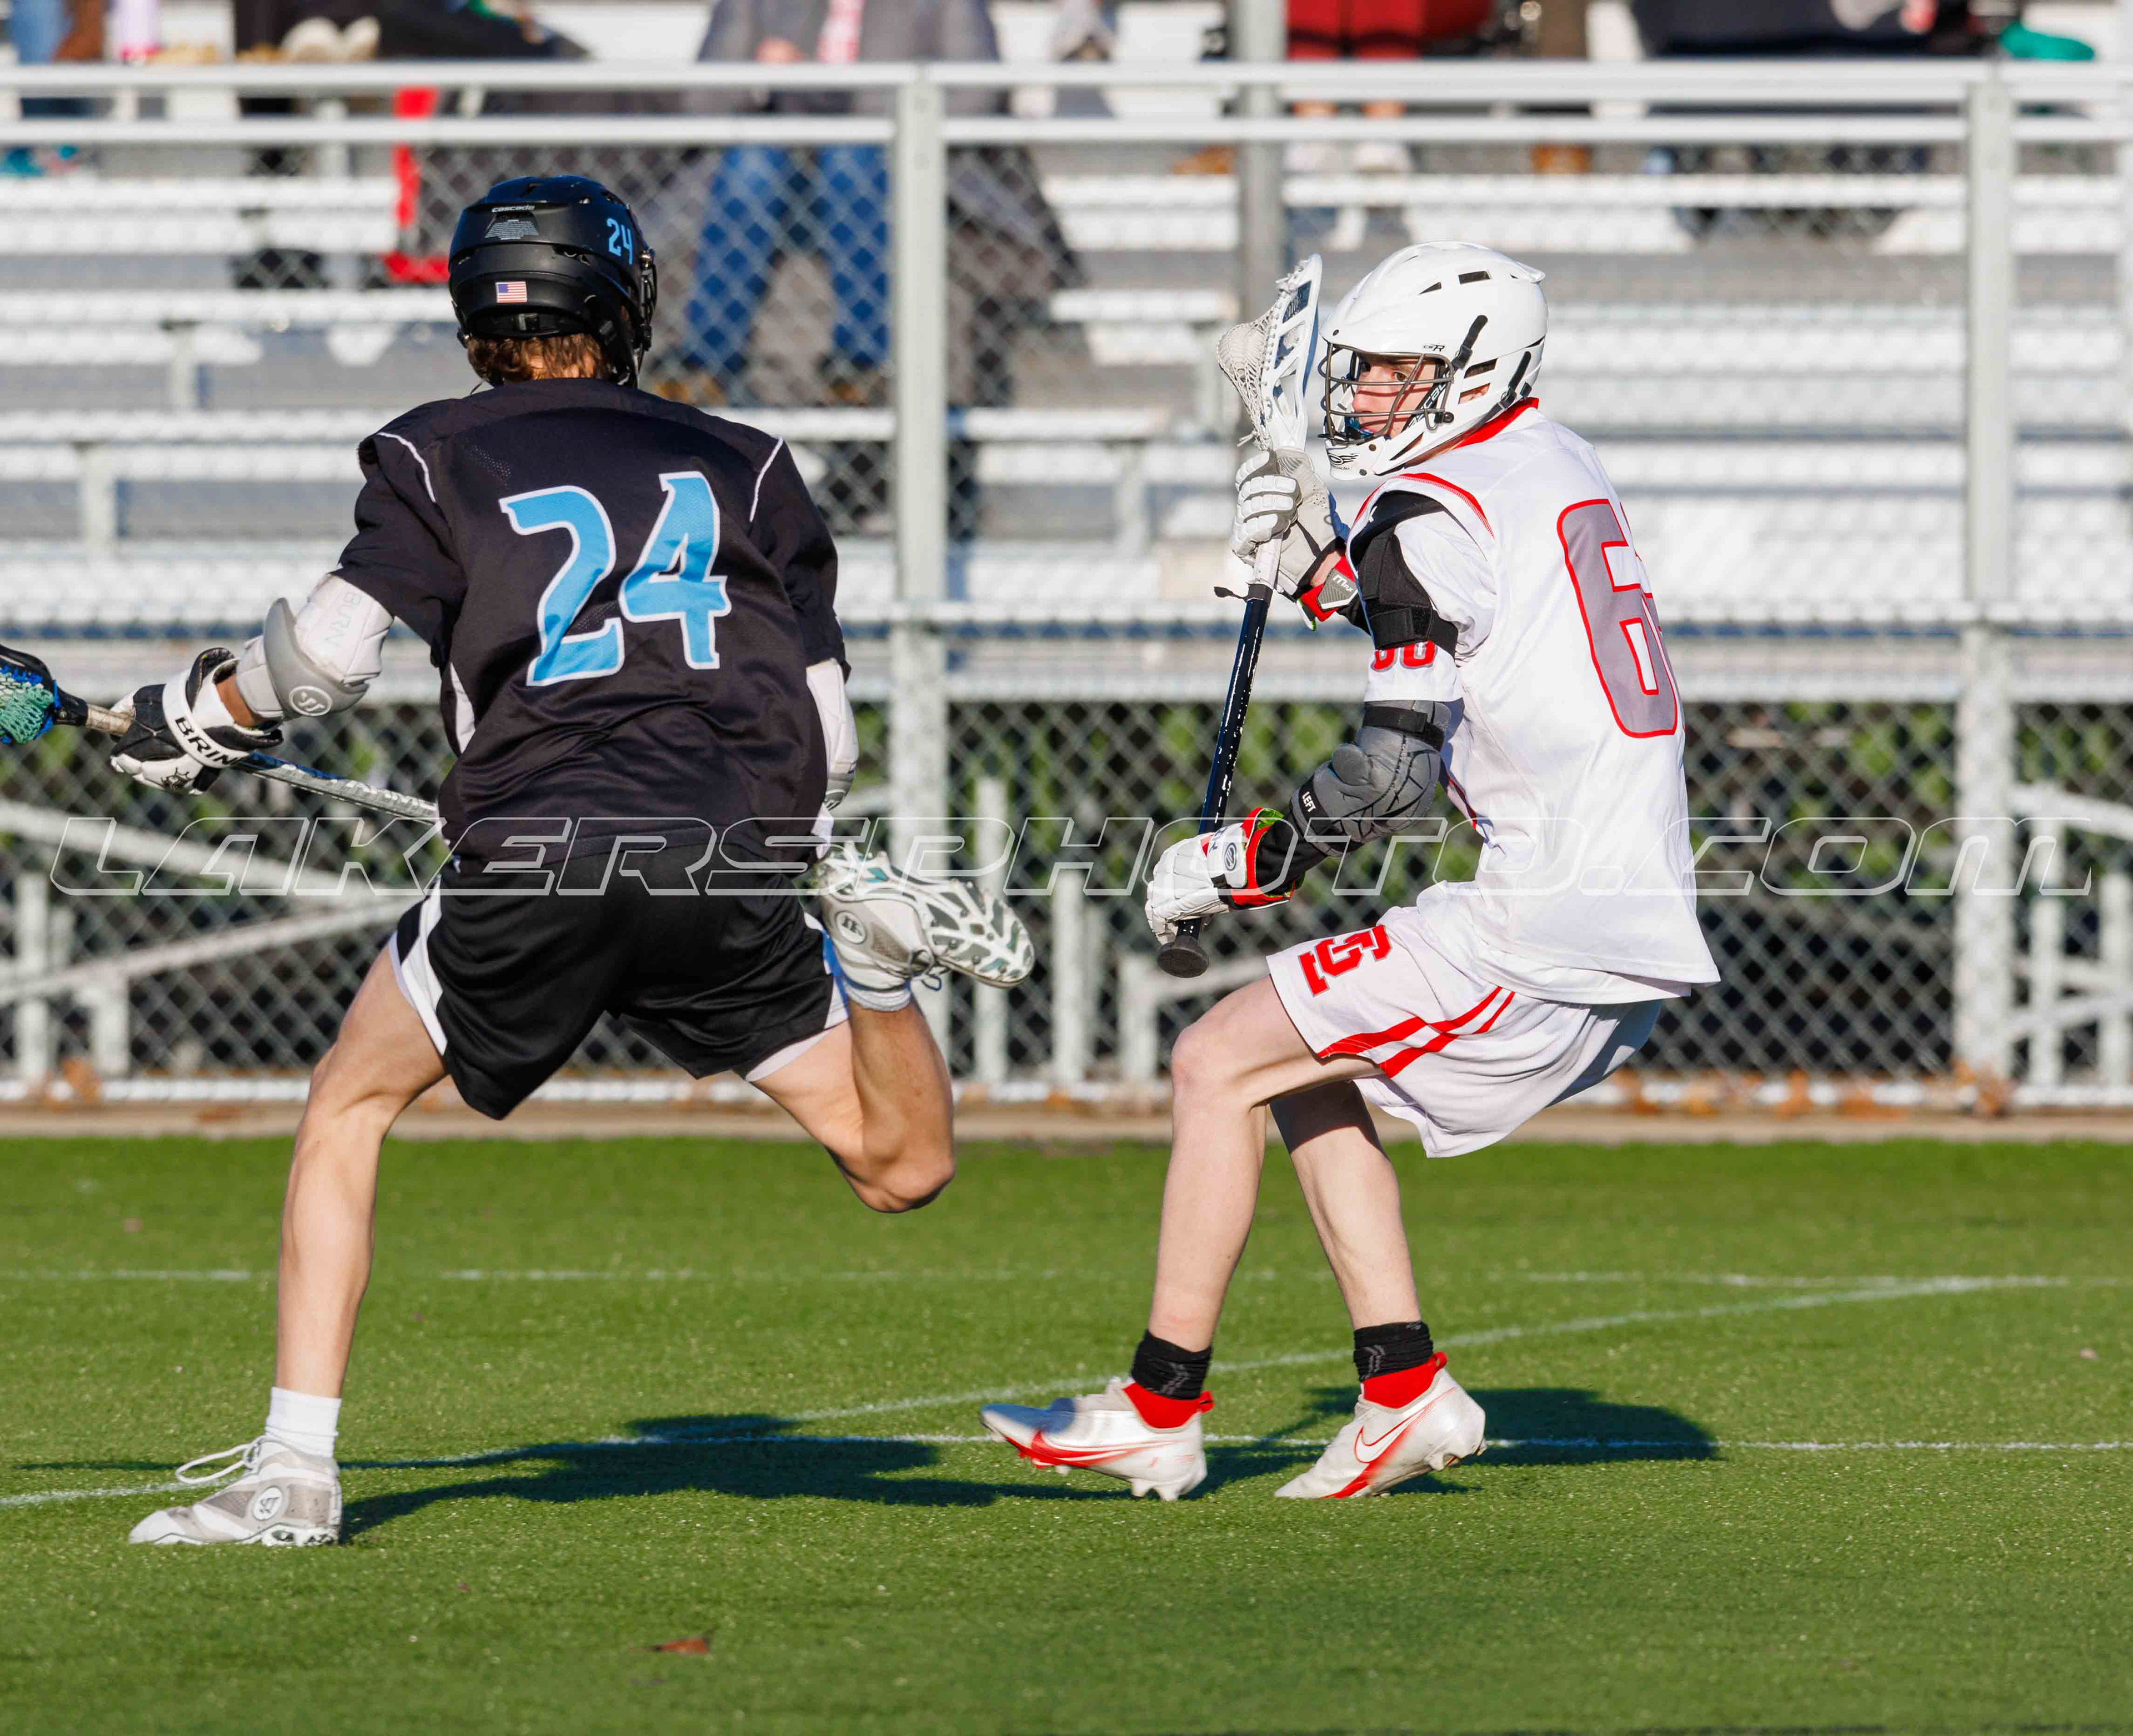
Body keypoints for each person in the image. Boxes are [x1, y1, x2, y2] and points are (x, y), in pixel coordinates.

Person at [123, 174, 1034, 1547]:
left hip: (543, 843)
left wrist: (199, 713)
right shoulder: (750, 462)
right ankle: (879, 973)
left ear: (474, 314)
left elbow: (324, 660)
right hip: (732, 847)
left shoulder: (434, 450)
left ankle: (295, 1472)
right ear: (622, 304)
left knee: (349, 1105)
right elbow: (830, 743)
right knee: (898, 1165)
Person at [979, 243, 1719, 1501]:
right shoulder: (1551, 458)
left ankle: (1159, 1407)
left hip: (1544, 924)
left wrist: (1244, 862)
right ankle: (1401, 1387)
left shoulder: (1423, 512)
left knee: (1214, 1059)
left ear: (1476, 371)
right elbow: (1460, 615)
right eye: (1364, 368)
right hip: (1593, 895)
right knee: (1296, 1067)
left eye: (1397, 371)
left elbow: (1391, 779)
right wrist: (1324, 567)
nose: (1368, 393)